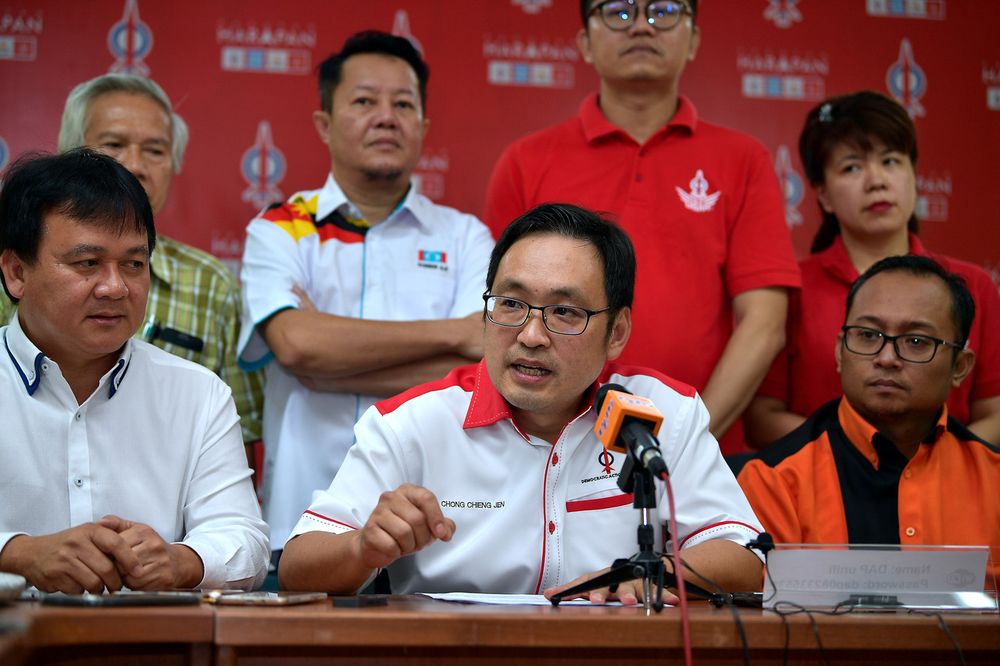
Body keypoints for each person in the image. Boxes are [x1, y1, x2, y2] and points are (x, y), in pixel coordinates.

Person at [278, 203, 764, 600]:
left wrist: (648, 576)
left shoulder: (663, 414)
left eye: (565, 312)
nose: (531, 335)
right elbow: (298, 568)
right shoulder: (414, 424)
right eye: (511, 304)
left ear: (617, 332)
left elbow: (744, 556)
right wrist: (364, 547)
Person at [483, 0, 801, 455]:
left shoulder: (744, 159)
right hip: (551, 449)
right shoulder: (526, 161)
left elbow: (764, 323)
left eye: (663, 11)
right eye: (618, 11)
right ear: (584, 43)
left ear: (693, 40)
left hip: (703, 445)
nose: (640, 27)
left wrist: (686, 445)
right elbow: (503, 314)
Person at [238, 31, 493, 554]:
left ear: (423, 125)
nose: (386, 116)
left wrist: (325, 368)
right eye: (364, 101)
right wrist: (457, 334)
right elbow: (299, 346)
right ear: (325, 125)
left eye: (403, 103)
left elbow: (483, 371)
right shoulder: (281, 225)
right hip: (302, 522)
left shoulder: (468, 237)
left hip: (435, 531)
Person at [0, 150, 269, 593]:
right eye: (87, 264)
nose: (115, 287)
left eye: (133, 264)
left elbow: (245, 540)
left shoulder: (197, 394)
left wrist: (181, 560)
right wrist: (20, 554)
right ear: (15, 272)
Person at [0, 73, 265, 453]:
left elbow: (245, 431)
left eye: (155, 150)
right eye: (114, 145)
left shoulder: (212, 281)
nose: (136, 166)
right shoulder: (21, 265)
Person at [745, 91, 1000, 447]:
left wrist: (935, 463)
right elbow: (762, 416)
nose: (876, 180)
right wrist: (857, 460)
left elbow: (995, 412)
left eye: (891, 161)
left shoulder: (973, 284)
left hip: (947, 492)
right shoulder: (792, 287)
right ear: (823, 196)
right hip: (822, 487)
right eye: (852, 167)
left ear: (914, 174)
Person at [738, 256, 1000, 581]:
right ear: (839, 352)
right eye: (867, 336)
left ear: (960, 366)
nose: (886, 358)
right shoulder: (774, 480)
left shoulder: (993, 481)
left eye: (916, 341)